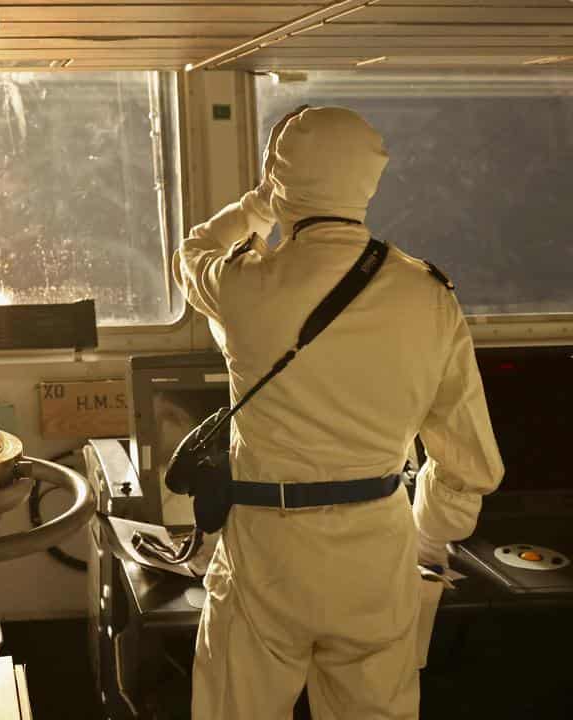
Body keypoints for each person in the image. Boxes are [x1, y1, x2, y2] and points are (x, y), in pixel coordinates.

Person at [174, 106, 504, 718]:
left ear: (280, 179)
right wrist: (427, 537)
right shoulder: (428, 295)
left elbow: (194, 250)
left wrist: (260, 204)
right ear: (369, 180)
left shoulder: (243, 286)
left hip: (264, 552)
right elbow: (468, 461)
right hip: (376, 547)